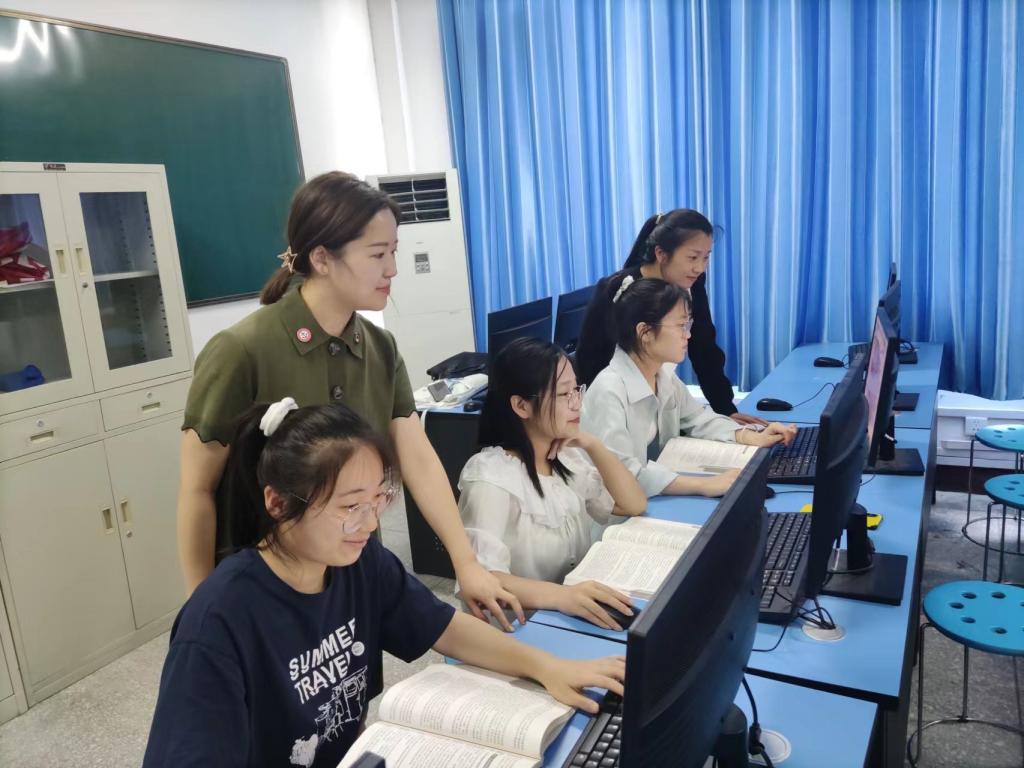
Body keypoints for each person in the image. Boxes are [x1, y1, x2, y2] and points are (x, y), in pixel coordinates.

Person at [145, 401, 625, 767]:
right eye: (349, 506)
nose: (370, 524)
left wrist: (546, 666)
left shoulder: (357, 563)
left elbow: (444, 627)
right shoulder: (219, 621)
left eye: (378, 499)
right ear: (278, 503)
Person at [178, 171, 523, 630]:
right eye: (378, 254)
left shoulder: (380, 349)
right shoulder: (241, 350)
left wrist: (466, 562)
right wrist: (200, 607)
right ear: (322, 258)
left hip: (352, 568)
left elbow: (417, 457)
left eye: (394, 251)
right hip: (262, 592)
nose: (392, 269)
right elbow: (198, 490)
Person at [457, 338, 648, 631]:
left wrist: (592, 444)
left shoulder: (565, 456)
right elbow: (484, 578)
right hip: (516, 633)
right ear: (521, 405)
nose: (576, 404)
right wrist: (564, 596)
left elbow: (633, 504)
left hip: (569, 614)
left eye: (576, 390)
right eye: (563, 394)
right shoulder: (491, 477)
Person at [582, 275, 796, 498]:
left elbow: (699, 420)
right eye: (681, 326)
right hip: (612, 511)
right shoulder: (609, 391)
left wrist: (752, 437)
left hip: (651, 497)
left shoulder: (663, 375)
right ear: (645, 332)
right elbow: (621, 474)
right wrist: (702, 485)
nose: (688, 335)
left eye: (688, 325)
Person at [575, 208, 766, 426]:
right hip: (615, 409)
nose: (699, 268)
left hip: (660, 402)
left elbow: (704, 348)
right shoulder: (619, 289)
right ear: (661, 254)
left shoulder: (691, 284)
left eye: (706, 258)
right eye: (692, 257)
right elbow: (591, 360)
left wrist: (725, 409)